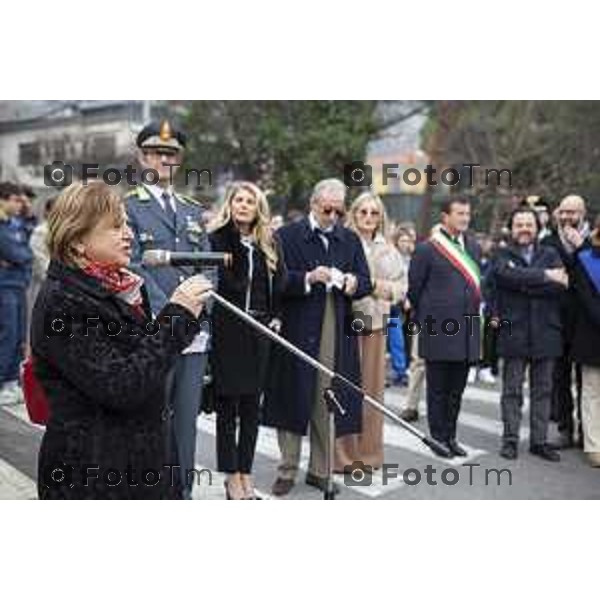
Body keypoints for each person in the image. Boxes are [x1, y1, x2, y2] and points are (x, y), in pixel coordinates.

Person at [31, 182, 212, 499]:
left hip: (142, 466)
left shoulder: (121, 286)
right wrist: (175, 317)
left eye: (127, 223)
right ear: (76, 242)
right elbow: (122, 386)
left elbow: (147, 365)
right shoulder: (63, 302)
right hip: (94, 476)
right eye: (116, 226)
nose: (129, 233)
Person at [263, 178, 371, 496]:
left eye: (340, 211)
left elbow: (366, 281)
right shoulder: (287, 235)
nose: (334, 217)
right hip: (297, 323)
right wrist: (307, 278)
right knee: (292, 395)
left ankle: (321, 470)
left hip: (334, 324)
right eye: (328, 210)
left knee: (328, 397)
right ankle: (287, 468)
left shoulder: (349, 239)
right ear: (313, 204)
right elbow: (276, 281)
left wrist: (352, 282)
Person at [126, 119, 213, 499]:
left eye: (170, 154)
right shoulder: (128, 207)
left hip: (192, 334)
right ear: (142, 157)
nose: (163, 160)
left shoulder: (193, 211)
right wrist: (170, 315)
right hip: (152, 331)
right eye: (155, 153)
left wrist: (197, 310)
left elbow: (208, 265)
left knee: (185, 424)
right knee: (149, 419)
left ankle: (183, 494)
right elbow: (130, 268)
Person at [209, 181, 286, 499]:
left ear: (258, 209)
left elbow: (280, 281)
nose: (243, 205)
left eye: (250, 202)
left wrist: (276, 316)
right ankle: (231, 476)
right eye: (238, 200)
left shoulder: (268, 241)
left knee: (253, 407)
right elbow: (216, 283)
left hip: (261, 329)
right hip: (229, 327)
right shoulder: (217, 239)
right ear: (230, 204)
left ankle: (246, 472)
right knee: (229, 406)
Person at [335, 192, 406, 471]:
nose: (368, 217)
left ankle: (369, 455)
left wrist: (372, 285)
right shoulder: (342, 242)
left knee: (372, 393)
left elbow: (401, 289)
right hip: (346, 325)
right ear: (353, 213)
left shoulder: (390, 249)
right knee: (343, 391)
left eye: (373, 213)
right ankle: (342, 457)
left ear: (381, 217)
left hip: (376, 325)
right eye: (362, 212)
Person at [407, 197, 482, 458]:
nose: (465, 218)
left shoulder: (473, 246)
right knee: (438, 390)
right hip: (438, 330)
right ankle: (438, 439)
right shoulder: (427, 249)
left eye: (467, 213)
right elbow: (415, 290)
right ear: (445, 217)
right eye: (459, 213)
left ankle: (451, 436)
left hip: (467, 332)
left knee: (456, 391)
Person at [492, 206, 566, 461]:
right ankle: (510, 440)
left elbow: (561, 287)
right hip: (514, 332)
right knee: (511, 391)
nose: (524, 229)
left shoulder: (551, 252)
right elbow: (504, 276)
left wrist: (522, 282)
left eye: (529, 224)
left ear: (537, 228)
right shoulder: (502, 253)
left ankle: (539, 441)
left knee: (543, 390)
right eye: (519, 224)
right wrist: (544, 276)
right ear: (511, 228)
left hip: (546, 332)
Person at [542, 194, 590, 448]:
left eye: (572, 212)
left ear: (583, 213)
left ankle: (587, 429)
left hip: (586, 321)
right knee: (559, 376)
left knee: (586, 379)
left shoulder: (593, 241)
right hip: (556, 318)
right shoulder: (549, 242)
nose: (567, 217)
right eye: (563, 212)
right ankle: (564, 428)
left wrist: (582, 247)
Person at [0, 181, 33, 403]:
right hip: (4, 286)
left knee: (20, 335)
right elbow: (15, 252)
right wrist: (20, 256)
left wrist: (20, 256)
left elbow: (25, 253)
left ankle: (11, 380)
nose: (19, 204)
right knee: (7, 333)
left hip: (18, 283)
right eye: (15, 199)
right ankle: (2, 379)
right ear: (3, 199)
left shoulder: (15, 223)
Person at [571, 215, 600, 467]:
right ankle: (593, 444)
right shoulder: (585, 259)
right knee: (592, 392)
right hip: (593, 336)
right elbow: (586, 300)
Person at [386, 226, 412, 387]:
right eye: (402, 240)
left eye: (408, 240)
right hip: (383, 303)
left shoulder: (410, 259)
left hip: (397, 305)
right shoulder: (390, 256)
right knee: (380, 340)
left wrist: (406, 297)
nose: (405, 243)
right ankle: (380, 374)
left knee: (397, 340)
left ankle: (400, 371)